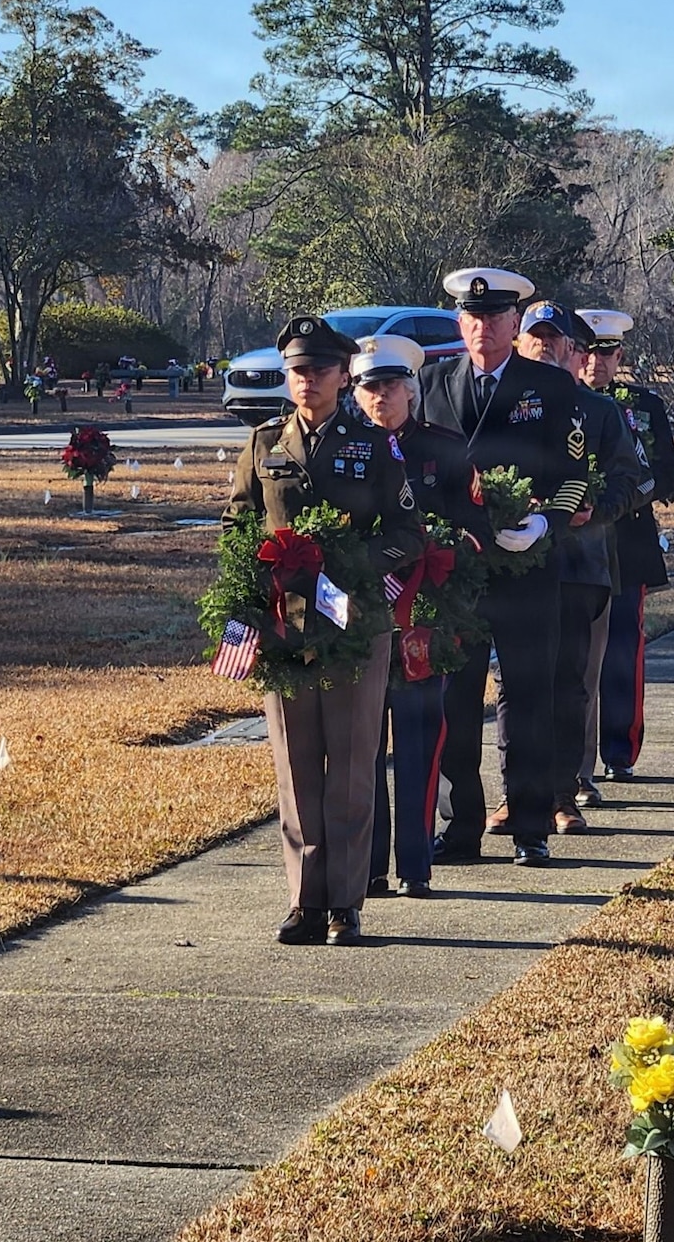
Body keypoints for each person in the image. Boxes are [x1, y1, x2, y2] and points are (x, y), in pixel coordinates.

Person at [224, 316, 424, 946]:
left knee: (352, 765)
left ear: (343, 375)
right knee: (296, 764)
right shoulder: (263, 444)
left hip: (354, 625)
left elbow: (405, 534)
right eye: (296, 371)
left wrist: (344, 567)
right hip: (286, 630)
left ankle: (346, 901)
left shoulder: (375, 445)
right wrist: (256, 586)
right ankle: (304, 900)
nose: (306, 381)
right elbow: (237, 526)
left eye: (318, 370)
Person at [420, 276, 589, 867]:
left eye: (496, 316)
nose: (484, 327)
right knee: (457, 700)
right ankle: (462, 826)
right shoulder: (432, 382)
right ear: (458, 322)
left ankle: (530, 824)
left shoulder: (547, 384)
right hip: (458, 573)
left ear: (515, 324)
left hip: (525, 567)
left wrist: (548, 523)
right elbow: (419, 469)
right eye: (473, 316)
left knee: (528, 695)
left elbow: (574, 472)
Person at [489, 311, 642, 835]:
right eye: (536, 339)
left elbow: (632, 479)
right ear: (520, 340)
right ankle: (515, 795)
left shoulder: (598, 411)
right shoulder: (505, 401)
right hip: (514, 562)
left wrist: (595, 509)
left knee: (568, 684)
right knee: (514, 684)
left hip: (579, 564)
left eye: (557, 342)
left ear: (575, 352)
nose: (545, 349)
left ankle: (561, 794)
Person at [351, 335, 489, 899]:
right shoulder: (348, 452)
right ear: (356, 395)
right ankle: (371, 867)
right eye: (370, 388)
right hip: (362, 617)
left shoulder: (446, 449)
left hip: (426, 622)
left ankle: (415, 865)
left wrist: (442, 572)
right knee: (363, 747)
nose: (381, 397)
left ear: (411, 390)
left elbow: (476, 531)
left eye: (391, 386)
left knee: (418, 740)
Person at [577, 310, 674, 783]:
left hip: (628, 541)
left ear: (619, 356)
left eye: (607, 353)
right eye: (590, 352)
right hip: (576, 542)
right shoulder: (561, 401)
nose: (597, 363)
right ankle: (573, 760)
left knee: (623, 649)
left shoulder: (643, 405)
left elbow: (669, 475)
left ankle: (619, 750)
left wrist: (627, 496)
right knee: (576, 654)